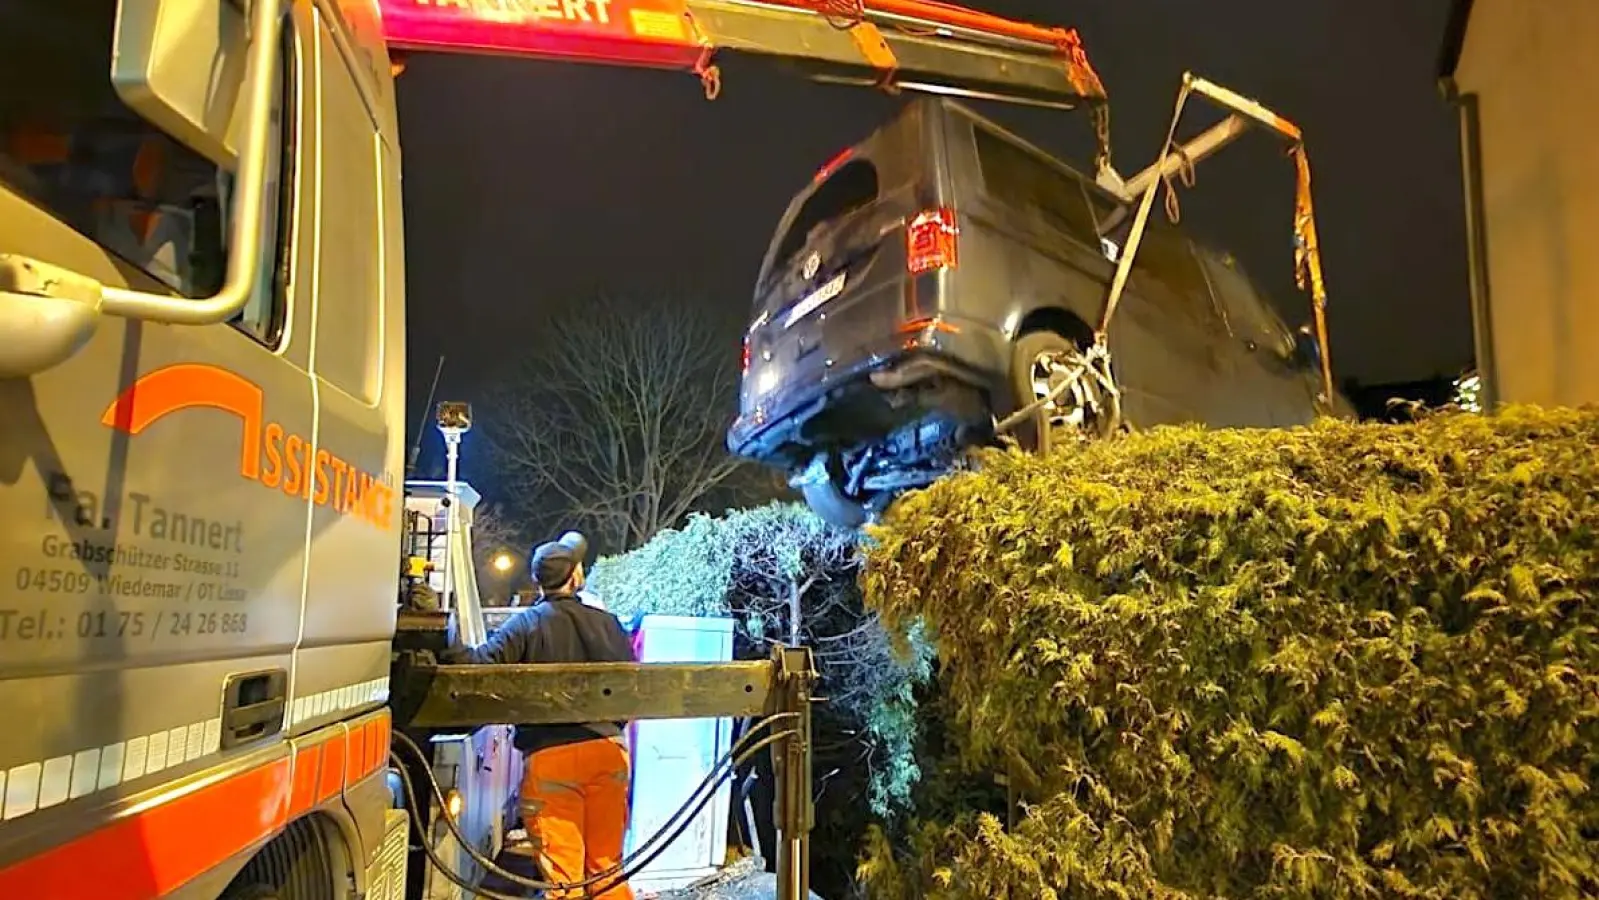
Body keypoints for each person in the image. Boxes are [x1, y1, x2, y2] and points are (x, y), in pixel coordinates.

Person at [446, 538, 636, 900]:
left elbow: (476, 666)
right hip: (607, 754)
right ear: (575, 576)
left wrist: (445, 633)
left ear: (539, 582)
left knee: (564, 880)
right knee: (607, 870)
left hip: (552, 761)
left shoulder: (526, 625)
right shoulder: (609, 624)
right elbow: (632, 688)